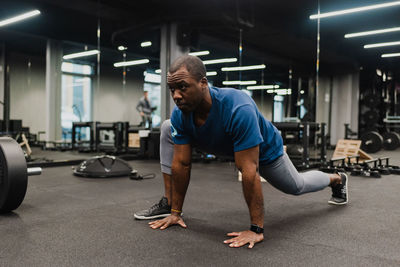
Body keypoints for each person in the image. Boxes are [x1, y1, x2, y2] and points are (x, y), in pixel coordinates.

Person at [134, 55, 348, 249]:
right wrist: (175, 213)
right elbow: (181, 164)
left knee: (296, 186)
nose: (177, 96)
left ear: (203, 83)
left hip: (265, 153)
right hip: (224, 144)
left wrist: (256, 229)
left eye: (182, 87)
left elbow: (249, 170)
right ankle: (169, 204)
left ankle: (336, 179)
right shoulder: (181, 113)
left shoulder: (238, 107)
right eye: (172, 89)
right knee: (166, 126)